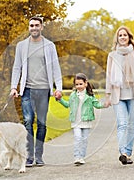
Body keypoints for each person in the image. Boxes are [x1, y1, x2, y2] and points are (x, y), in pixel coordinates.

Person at [10, 16, 62, 167]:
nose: (34, 28)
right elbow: (17, 67)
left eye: (36, 25)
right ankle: (29, 156)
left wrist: (58, 87)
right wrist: (14, 86)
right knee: (27, 121)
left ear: (41, 27)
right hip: (27, 89)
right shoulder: (21, 46)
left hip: (44, 89)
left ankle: (39, 156)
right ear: (29, 27)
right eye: (31, 25)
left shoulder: (49, 46)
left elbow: (55, 67)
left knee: (42, 123)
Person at [105, 26, 134, 165]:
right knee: (122, 124)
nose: (122, 37)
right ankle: (122, 152)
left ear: (129, 37)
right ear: (117, 38)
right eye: (120, 35)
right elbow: (108, 76)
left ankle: (128, 153)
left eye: (125, 35)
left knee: (130, 125)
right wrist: (107, 95)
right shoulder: (112, 55)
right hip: (118, 95)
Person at [56, 73, 108, 165]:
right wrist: (60, 100)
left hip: (86, 121)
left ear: (85, 83)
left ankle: (81, 157)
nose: (79, 86)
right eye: (76, 84)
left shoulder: (90, 96)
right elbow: (68, 105)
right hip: (76, 121)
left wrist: (104, 104)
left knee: (84, 140)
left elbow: (96, 104)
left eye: (80, 84)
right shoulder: (73, 95)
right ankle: (76, 157)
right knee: (77, 138)